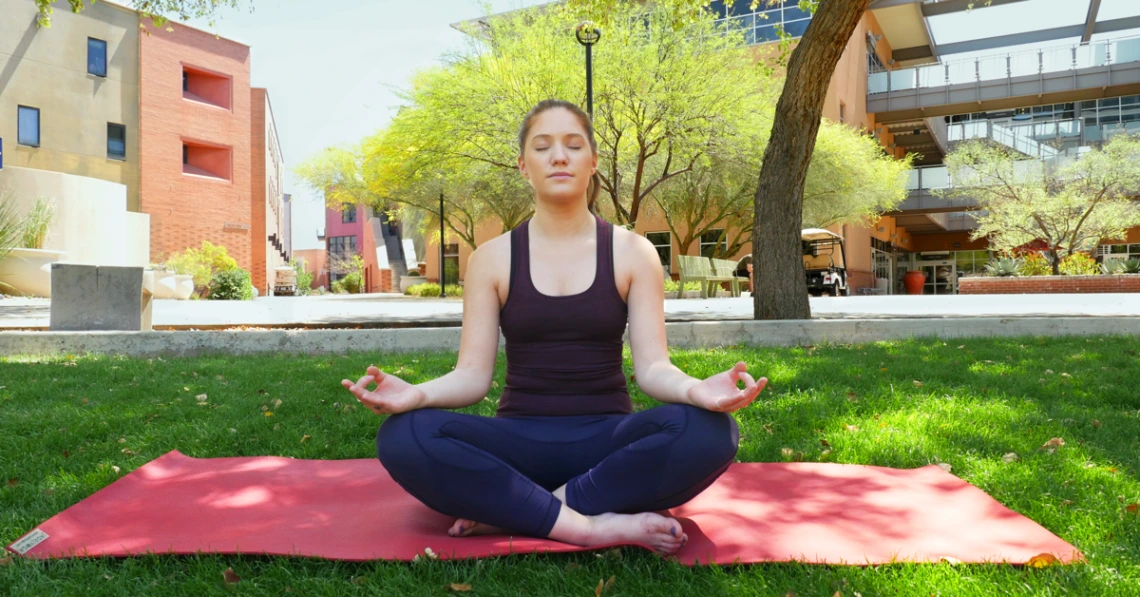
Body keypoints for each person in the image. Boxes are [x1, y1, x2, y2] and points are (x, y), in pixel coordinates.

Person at [341, 99, 767, 556]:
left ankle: (525, 508)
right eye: (543, 147)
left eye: (572, 145)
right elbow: (472, 377)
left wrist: (696, 391)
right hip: (516, 445)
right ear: (524, 165)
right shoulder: (492, 258)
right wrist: (416, 395)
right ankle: (590, 527)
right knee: (403, 436)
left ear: (593, 162)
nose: (559, 157)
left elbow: (653, 368)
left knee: (714, 431)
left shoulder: (633, 252)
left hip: (607, 445)